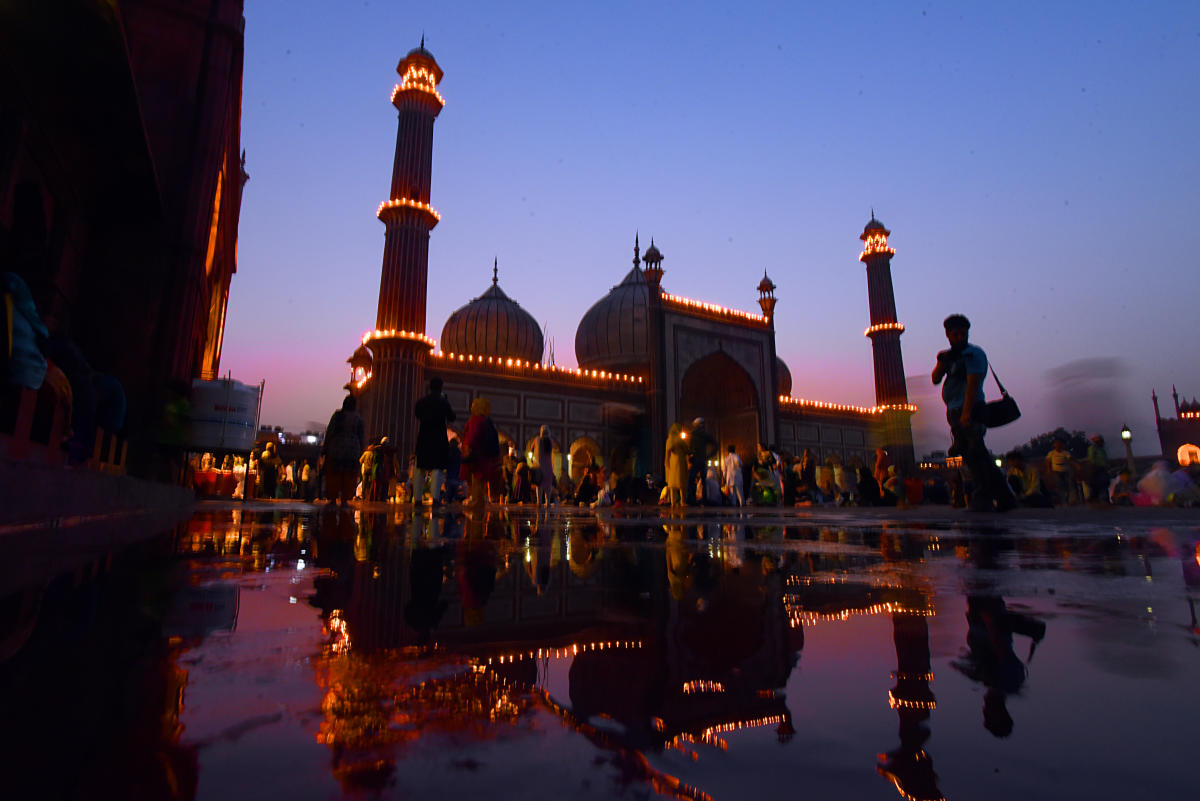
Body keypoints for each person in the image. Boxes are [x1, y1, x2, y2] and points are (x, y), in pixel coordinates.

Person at [931, 314, 1014, 512]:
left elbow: (973, 385)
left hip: (972, 409)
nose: (959, 337)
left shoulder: (973, 354)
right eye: (955, 334)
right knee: (975, 454)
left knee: (975, 454)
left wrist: (966, 414)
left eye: (962, 333)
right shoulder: (951, 356)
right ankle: (1005, 497)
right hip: (954, 410)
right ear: (948, 335)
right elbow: (935, 379)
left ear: (968, 333)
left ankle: (983, 497)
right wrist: (942, 362)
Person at [413, 377, 456, 506]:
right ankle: (436, 499)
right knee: (437, 469)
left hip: (424, 437)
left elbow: (417, 414)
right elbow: (452, 417)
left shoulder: (422, 402)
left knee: (420, 468)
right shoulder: (443, 402)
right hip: (438, 439)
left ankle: (417, 500)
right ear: (441, 387)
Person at [323, 395, 365, 506]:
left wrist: (325, 447)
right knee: (348, 475)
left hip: (336, 449)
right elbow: (361, 437)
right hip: (352, 451)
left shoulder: (338, 416)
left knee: (335, 475)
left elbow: (330, 431)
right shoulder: (358, 419)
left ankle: (332, 498)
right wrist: (361, 449)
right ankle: (345, 499)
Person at [462, 396, 500, 508]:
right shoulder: (488, 421)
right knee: (481, 481)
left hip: (476, 457)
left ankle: (476, 504)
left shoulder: (476, 420)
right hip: (486, 457)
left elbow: (472, 437)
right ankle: (479, 504)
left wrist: (467, 448)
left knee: (476, 481)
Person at [686, 418, 717, 505]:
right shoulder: (705, 435)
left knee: (691, 480)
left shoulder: (693, 434)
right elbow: (715, 445)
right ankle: (704, 500)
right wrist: (709, 455)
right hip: (703, 460)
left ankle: (691, 500)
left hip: (696, 460)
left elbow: (690, 448)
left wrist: (690, 456)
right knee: (703, 480)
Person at [664, 423, 688, 508]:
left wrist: (666, 463)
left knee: (672, 484)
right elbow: (686, 449)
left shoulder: (669, 440)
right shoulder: (679, 439)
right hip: (680, 462)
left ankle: (673, 502)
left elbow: (667, 453)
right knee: (681, 483)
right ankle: (682, 501)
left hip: (671, 462)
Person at [1044, 439, 1076, 505]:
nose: (1058, 446)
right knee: (1059, 484)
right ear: (1054, 446)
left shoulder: (1065, 453)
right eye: (1056, 444)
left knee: (1068, 484)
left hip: (1065, 470)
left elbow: (1070, 459)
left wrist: (1076, 465)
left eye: (1059, 444)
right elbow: (1048, 461)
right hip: (1056, 470)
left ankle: (1070, 499)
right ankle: (1062, 500)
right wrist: (1048, 470)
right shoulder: (1051, 453)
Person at [1084, 434, 1110, 504]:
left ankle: (1102, 499)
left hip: (1103, 469)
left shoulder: (1102, 450)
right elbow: (1091, 458)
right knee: (1098, 484)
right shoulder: (1092, 448)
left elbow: (1105, 459)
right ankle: (1098, 499)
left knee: (1103, 484)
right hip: (1096, 469)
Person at [535, 425, 556, 505]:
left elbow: (532, 449)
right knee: (548, 485)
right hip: (549, 466)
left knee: (539, 485)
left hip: (540, 465)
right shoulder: (550, 441)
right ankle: (547, 503)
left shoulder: (538, 440)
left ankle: (539, 502)